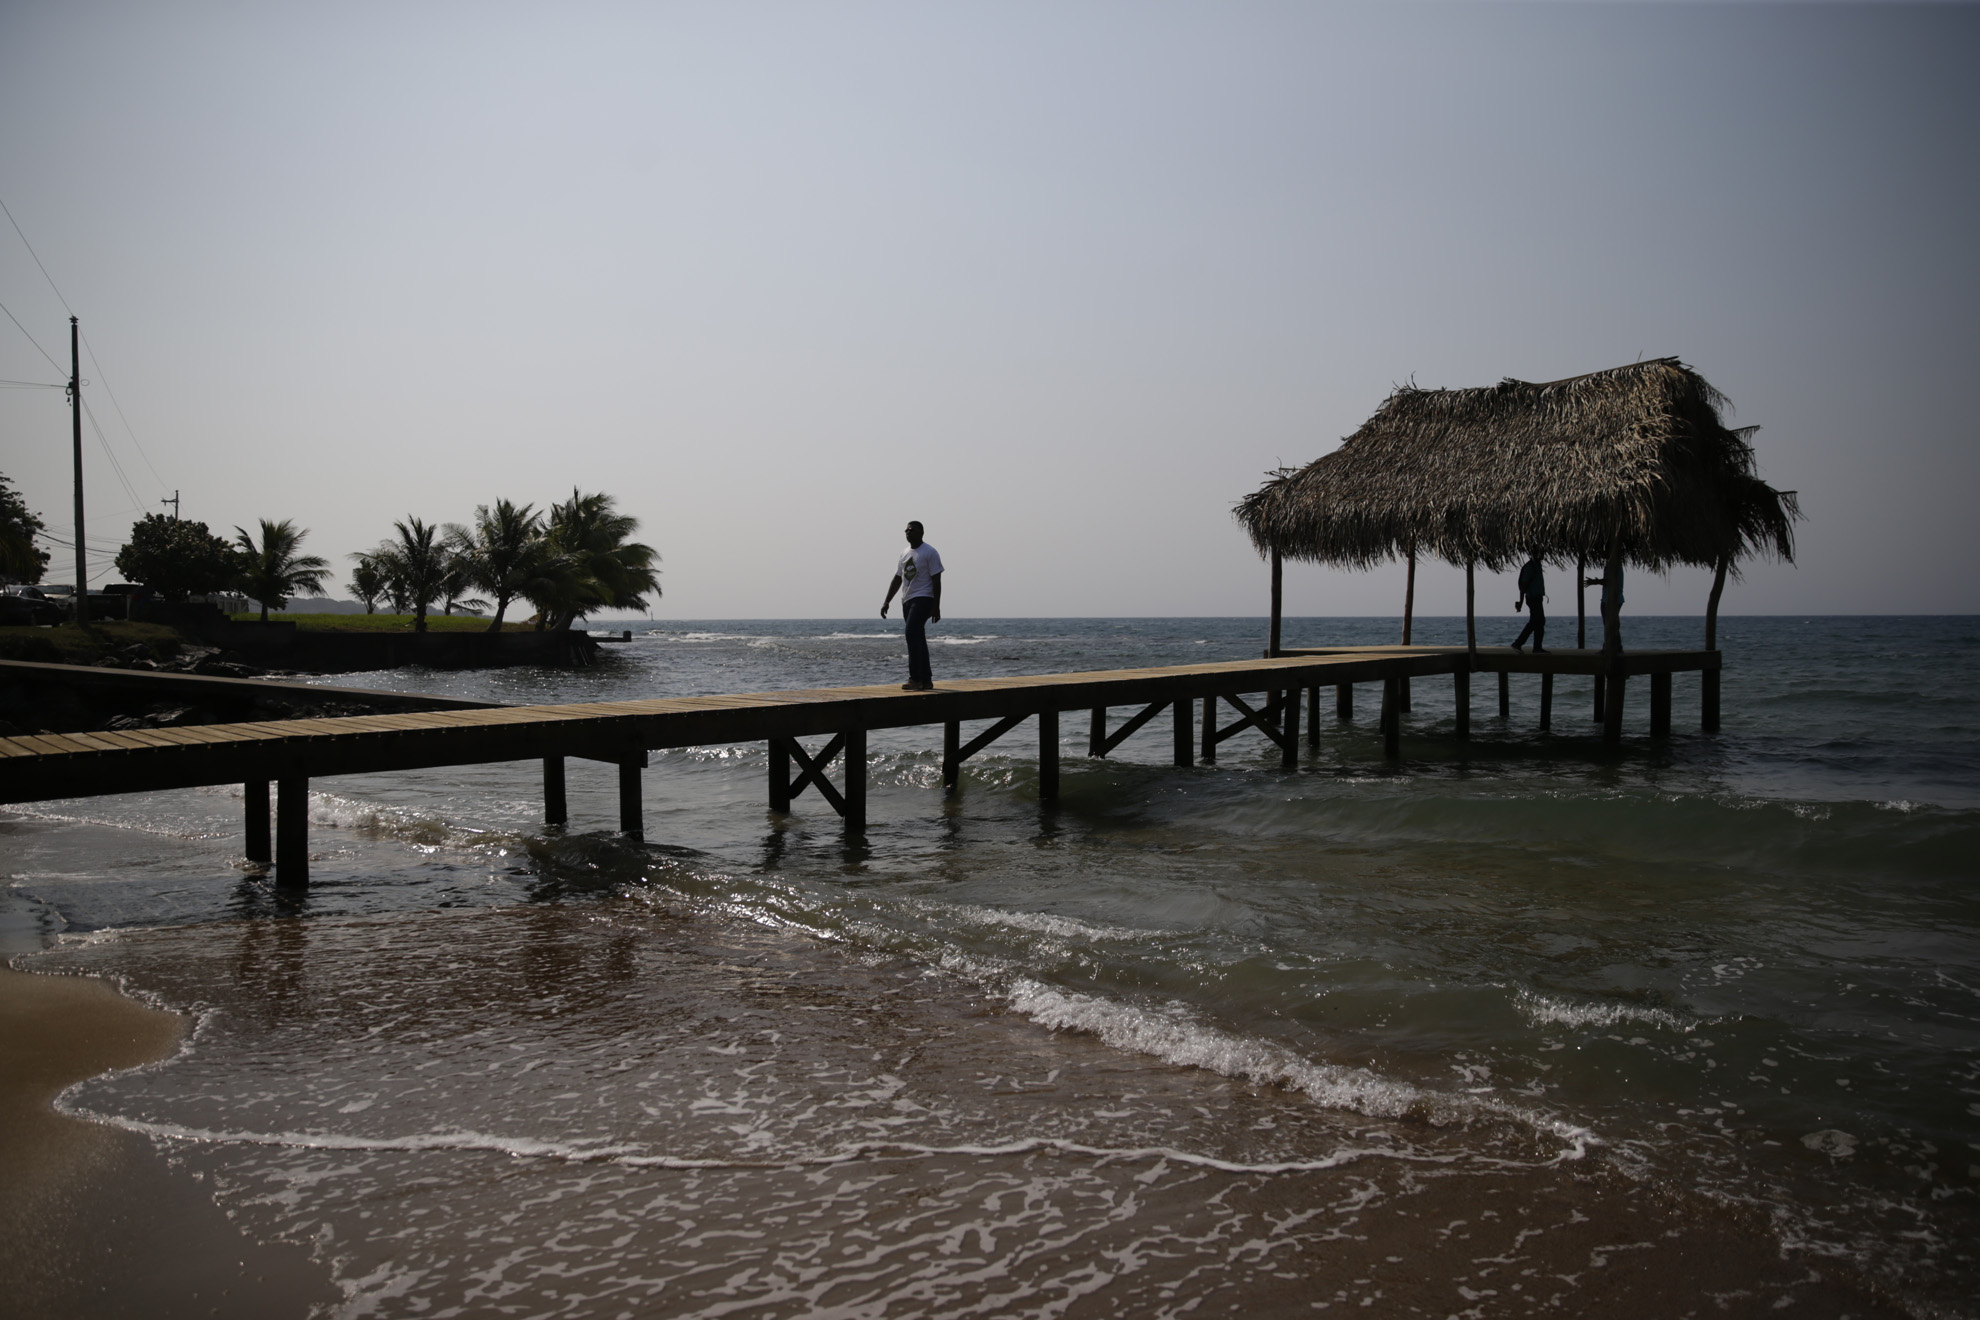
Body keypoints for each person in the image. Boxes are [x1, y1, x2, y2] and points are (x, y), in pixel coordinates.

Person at [880, 520, 943, 691]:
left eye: (911, 530)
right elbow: (898, 578)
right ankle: (926, 680)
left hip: (924, 598)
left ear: (921, 532)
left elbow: (937, 580)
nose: (908, 532)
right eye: (906, 530)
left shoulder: (930, 552)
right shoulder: (904, 553)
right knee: (918, 638)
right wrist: (887, 601)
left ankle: (915, 678)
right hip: (907, 600)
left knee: (911, 633)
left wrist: (936, 606)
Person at [1511, 551, 1547, 653]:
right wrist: (1521, 602)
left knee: (1538, 622)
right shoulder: (1530, 567)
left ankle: (1535, 647)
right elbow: (1523, 586)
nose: (1542, 555)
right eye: (1540, 553)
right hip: (1533, 598)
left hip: (1537, 597)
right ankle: (1520, 643)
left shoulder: (1537, 565)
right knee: (1536, 621)